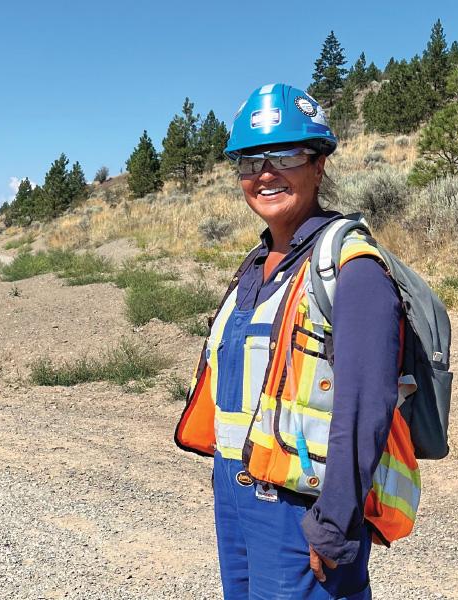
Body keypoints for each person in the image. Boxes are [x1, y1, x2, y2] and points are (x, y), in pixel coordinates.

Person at [175, 83, 420, 599]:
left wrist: (333, 523)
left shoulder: (353, 270)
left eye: (285, 155)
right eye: (249, 161)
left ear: (319, 164)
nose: (264, 173)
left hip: (303, 509)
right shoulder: (258, 266)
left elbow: (365, 407)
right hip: (238, 493)